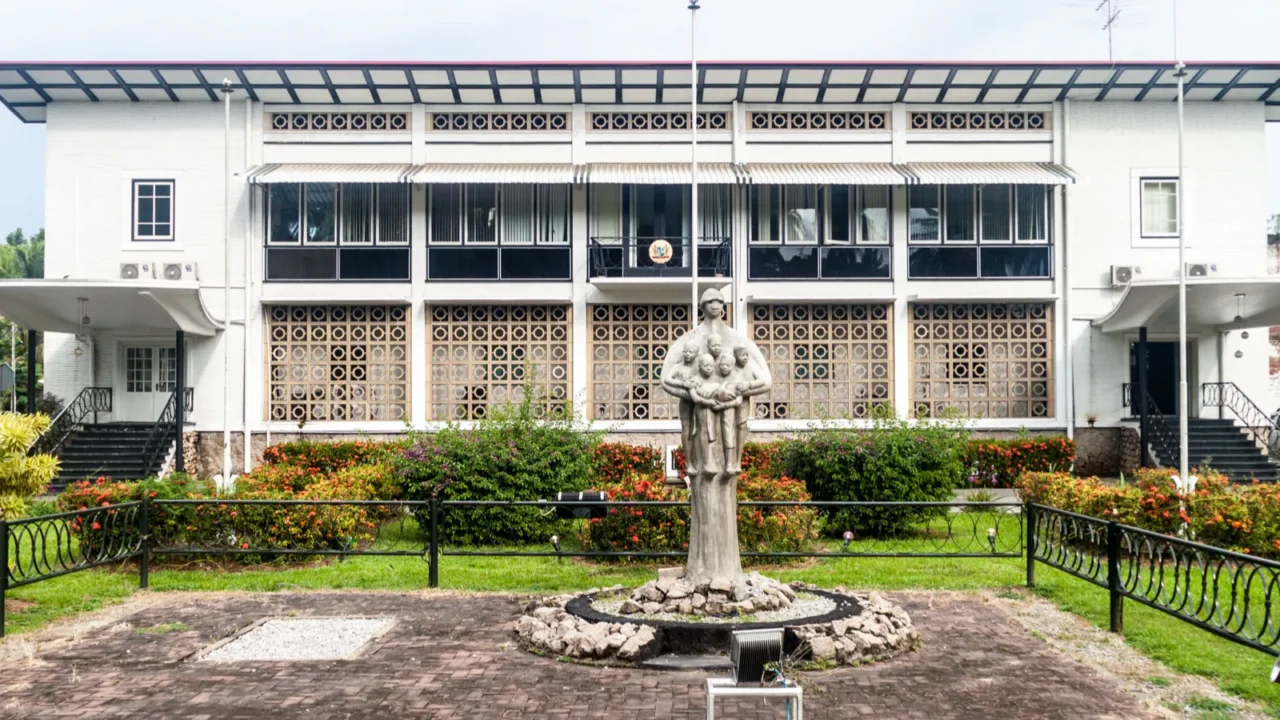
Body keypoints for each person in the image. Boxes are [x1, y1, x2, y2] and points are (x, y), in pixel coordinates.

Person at [661, 339, 702, 476]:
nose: (687, 354)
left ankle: (701, 459)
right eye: (685, 351)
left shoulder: (699, 366)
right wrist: (683, 383)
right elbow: (667, 379)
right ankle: (689, 462)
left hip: (700, 401)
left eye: (690, 352)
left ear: (696, 353)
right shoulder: (678, 366)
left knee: (701, 429)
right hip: (685, 401)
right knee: (686, 430)